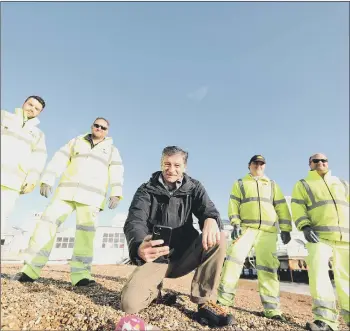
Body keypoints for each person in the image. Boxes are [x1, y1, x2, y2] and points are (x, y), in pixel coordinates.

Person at [121, 146, 233, 327]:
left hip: (184, 255)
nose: (171, 170)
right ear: (161, 164)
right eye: (167, 164)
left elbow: (208, 210)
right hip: (157, 257)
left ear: (185, 167)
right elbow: (135, 221)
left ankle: (205, 302)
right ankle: (154, 294)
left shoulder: (194, 188)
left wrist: (211, 219)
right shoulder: (146, 190)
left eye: (177, 165)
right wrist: (139, 244)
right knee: (129, 304)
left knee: (218, 236)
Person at [14, 117, 124, 286]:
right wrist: (48, 178)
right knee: (44, 228)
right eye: (97, 125)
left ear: (107, 131)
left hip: (92, 198)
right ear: (92, 126)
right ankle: (29, 270)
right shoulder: (76, 142)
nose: (99, 129)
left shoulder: (111, 150)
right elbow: (59, 158)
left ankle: (81, 276)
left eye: (103, 127)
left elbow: (117, 171)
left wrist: (116, 193)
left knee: (85, 236)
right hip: (65, 192)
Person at [217, 155, 292, 321]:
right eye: (255, 163)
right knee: (233, 262)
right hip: (246, 229)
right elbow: (233, 204)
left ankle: (272, 311)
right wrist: (235, 223)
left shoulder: (273, 185)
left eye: (261, 163)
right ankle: (223, 301)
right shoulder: (240, 183)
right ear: (249, 166)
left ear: (264, 166)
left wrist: (286, 229)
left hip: (268, 232)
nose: (258, 165)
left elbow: (281, 207)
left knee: (268, 269)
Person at [291, 153, 349, 331]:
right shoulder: (303, 184)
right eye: (316, 160)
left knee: (347, 280)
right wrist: (305, 226)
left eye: (324, 160)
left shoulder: (342, 183)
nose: (320, 163)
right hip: (319, 237)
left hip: (345, 239)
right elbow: (297, 207)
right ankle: (326, 321)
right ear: (310, 164)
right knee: (319, 275)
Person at [1, 96, 47, 238]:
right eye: (30, 104)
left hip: (12, 183)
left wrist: (32, 179)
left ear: (40, 112)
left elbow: (39, 158)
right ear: (23, 103)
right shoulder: (3, 117)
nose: (32, 109)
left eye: (36, 108)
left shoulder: (38, 135)